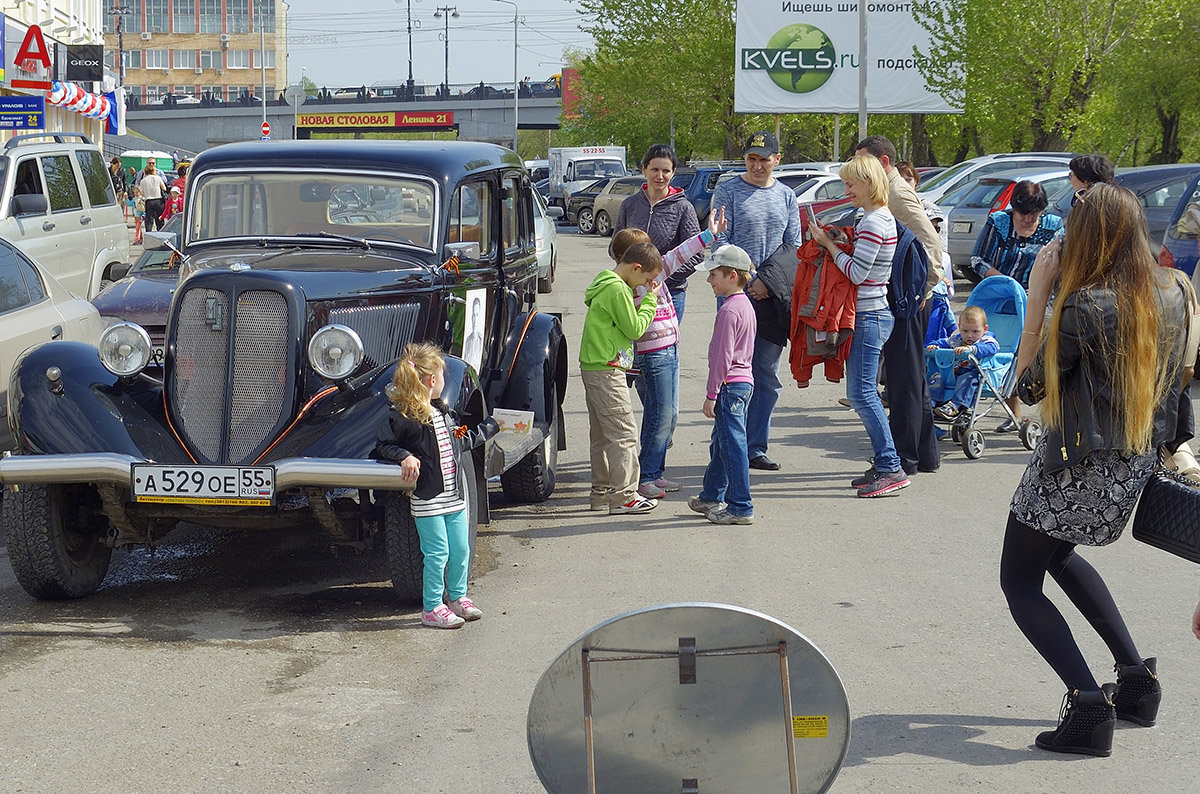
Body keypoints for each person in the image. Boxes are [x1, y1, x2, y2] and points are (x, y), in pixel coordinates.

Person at [1000, 183, 1194, 756]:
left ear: (1090, 239)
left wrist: (1038, 299)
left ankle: (1088, 706)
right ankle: (1135, 682)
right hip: (1129, 464)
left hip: (1073, 466)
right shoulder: (1173, 290)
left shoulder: (1085, 304)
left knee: (1019, 581)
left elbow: (1028, 389)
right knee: (1057, 555)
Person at [374, 342, 499, 629]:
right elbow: (383, 445)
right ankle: (432, 607)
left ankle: (457, 597)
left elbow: (460, 438)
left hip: (453, 498)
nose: (444, 381)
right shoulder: (405, 418)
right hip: (428, 500)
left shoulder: (444, 412)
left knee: (460, 548)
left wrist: (491, 425)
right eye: (442, 376)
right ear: (432, 381)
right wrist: (404, 456)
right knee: (437, 553)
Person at [811, 154, 909, 497]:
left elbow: (856, 273)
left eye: (851, 183)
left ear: (869, 183)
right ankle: (884, 463)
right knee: (862, 393)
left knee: (862, 394)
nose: (847, 189)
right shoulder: (878, 217)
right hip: (872, 313)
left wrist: (828, 246)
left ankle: (890, 466)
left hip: (869, 315)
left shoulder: (873, 221)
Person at [610, 209, 724, 500]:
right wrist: (649, 294)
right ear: (633, 262)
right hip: (654, 354)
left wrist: (709, 234)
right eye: (647, 253)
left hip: (668, 350)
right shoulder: (628, 287)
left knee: (666, 415)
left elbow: (681, 252)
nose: (657, 258)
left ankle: (654, 472)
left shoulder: (653, 273)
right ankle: (646, 476)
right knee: (661, 416)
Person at [710, 130, 801, 471]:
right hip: (737, 293)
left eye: (765, 159)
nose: (758, 165)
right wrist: (748, 280)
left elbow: (793, 246)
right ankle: (726, 444)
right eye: (752, 159)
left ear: (777, 160)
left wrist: (767, 282)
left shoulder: (787, 196)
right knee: (731, 372)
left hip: (772, 296)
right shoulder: (729, 190)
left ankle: (754, 446)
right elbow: (721, 240)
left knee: (766, 375)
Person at [854, 135, 944, 477]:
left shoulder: (896, 192)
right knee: (910, 377)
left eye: (866, 163)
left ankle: (903, 457)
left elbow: (931, 241)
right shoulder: (885, 189)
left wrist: (924, 288)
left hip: (909, 297)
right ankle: (924, 454)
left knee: (903, 380)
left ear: (885, 164)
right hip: (907, 294)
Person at [970, 180, 1064, 430]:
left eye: (1034, 215)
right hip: (1003, 298)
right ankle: (1014, 414)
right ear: (1013, 210)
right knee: (1006, 351)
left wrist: (1040, 286)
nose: (1028, 220)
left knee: (1045, 356)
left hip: (1039, 299)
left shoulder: (1054, 227)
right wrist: (1004, 282)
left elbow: (1061, 265)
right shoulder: (998, 222)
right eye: (1023, 214)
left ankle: (1052, 417)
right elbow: (977, 259)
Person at [579, 241, 663, 514]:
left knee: (602, 436)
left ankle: (601, 494)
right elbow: (635, 328)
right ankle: (625, 495)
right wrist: (651, 300)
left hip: (594, 365)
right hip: (607, 366)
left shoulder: (605, 283)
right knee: (624, 434)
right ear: (636, 267)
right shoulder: (618, 290)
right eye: (645, 279)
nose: (643, 286)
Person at [688, 245, 757, 525]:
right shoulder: (744, 305)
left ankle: (740, 506)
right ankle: (711, 495)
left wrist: (711, 394)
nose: (709, 280)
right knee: (722, 443)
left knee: (732, 446)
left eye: (713, 274)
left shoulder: (729, 311)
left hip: (729, 385)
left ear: (732, 276)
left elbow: (722, 357)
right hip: (742, 384)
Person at [616, 144, 702, 323]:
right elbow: (615, 247)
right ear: (644, 169)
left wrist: (660, 275)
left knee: (664, 348)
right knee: (631, 345)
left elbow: (696, 255)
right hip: (631, 291)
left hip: (671, 292)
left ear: (673, 173)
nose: (660, 176)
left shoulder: (683, 208)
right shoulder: (629, 205)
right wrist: (631, 274)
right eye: (654, 169)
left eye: (666, 170)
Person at [926, 306, 999, 421]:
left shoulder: (986, 340)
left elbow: (992, 348)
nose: (970, 335)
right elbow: (943, 342)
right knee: (936, 377)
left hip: (974, 373)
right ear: (959, 327)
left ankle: (955, 406)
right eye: (965, 331)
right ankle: (931, 402)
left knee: (967, 379)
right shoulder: (957, 339)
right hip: (952, 373)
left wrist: (972, 349)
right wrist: (934, 346)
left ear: (985, 329)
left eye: (975, 331)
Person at [138, 159, 168, 233]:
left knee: (149, 220)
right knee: (160, 220)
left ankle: (148, 233)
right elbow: (164, 188)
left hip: (149, 200)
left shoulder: (143, 180)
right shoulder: (158, 178)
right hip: (159, 200)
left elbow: (141, 193)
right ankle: (161, 234)